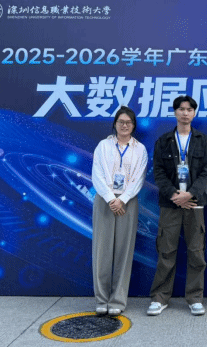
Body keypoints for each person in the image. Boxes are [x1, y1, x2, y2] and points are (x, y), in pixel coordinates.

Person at [147, 95, 207, 316]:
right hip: (170, 203)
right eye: (181, 109)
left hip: (194, 203)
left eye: (189, 109)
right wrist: (174, 194)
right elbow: (158, 172)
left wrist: (190, 194)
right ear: (175, 112)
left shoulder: (203, 140)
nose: (185, 113)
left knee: (196, 252)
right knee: (166, 251)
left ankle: (195, 298)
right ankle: (160, 298)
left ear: (194, 113)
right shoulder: (164, 141)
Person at [91, 105, 148, 316]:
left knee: (124, 251)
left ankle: (117, 300)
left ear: (133, 125)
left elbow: (139, 178)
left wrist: (122, 199)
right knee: (102, 251)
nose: (124, 126)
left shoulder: (140, 149)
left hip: (128, 201)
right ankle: (101, 299)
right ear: (115, 124)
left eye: (128, 122)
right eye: (121, 122)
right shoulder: (103, 146)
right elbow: (97, 174)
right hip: (104, 200)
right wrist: (110, 198)